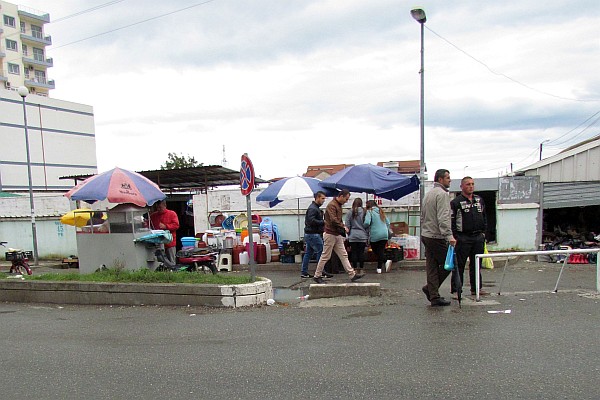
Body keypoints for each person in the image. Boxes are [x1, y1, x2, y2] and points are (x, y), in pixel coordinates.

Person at [421, 169, 456, 307]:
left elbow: (423, 216)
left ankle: (434, 295)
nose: (450, 180)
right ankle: (431, 289)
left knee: (432, 266)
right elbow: (443, 217)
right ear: (440, 180)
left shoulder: (429, 194)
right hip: (436, 235)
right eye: (447, 177)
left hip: (427, 234)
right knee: (449, 263)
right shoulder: (442, 195)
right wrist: (449, 236)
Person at [313, 189, 364, 284]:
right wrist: (343, 226)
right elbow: (333, 220)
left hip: (335, 234)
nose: (347, 201)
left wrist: (341, 228)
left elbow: (335, 220)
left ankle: (352, 274)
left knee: (343, 254)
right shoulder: (332, 205)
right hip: (330, 234)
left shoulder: (336, 205)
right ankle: (317, 275)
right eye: (346, 199)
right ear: (341, 196)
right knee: (326, 256)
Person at [451, 176, 488, 296]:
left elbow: (485, 217)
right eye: (468, 184)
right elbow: (451, 221)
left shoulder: (479, 200)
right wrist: (455, 236)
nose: (471, 186)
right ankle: (456, 290)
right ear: (462, 186)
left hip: (478, 237)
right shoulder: (456, 202)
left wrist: (483, 233)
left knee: (476, 264)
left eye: (472, 184)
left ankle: (476, 288)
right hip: (463, 238)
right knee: (459, 265)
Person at [300, 191, 332, 279]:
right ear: (317, 198)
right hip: (313, 234)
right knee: (321, 252)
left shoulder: (314, 208)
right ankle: (321, 271)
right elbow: (311, 221)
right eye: (322, 198)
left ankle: (304, 272)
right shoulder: (313, 209)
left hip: (310, 234)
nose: (323, 200)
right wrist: (323, 222)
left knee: (308, 253)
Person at [364, 200, 392, 274]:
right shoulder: (381, 211)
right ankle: (380, 266)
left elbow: (367, 222)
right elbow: (388, 223)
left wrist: (364, 226)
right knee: (381, 250)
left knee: (375, 250)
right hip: (384, 234)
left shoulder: (370, 212)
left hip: (375, 234)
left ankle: (383, 263)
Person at [345, 198, 368, 275]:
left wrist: (348, 234)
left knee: (354, 252)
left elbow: (347, 225)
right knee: (361, 252)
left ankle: (354, 268)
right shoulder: (365, 212)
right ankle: (361, 268)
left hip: (353, 235)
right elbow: (367, 224)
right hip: (362, 235)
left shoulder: (349, 212)